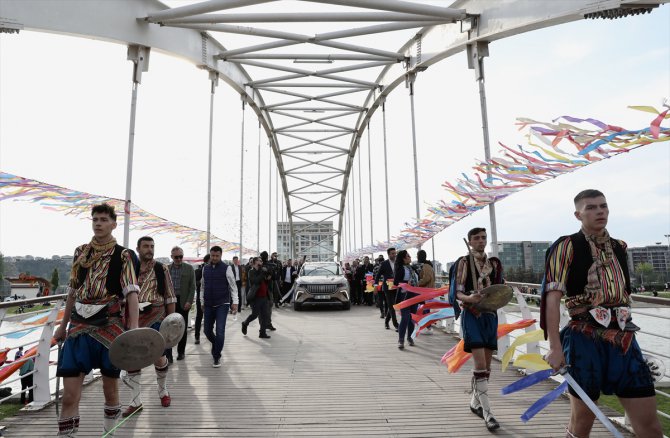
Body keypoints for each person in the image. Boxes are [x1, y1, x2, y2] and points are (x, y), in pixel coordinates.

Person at [541, 189, 661, 438]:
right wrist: (554, 346)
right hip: (584, 338)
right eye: (591, 208)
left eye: (603, 206)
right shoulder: (566, 246)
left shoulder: (619, 247)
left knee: (649, 427)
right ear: (578, 214)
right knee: (582, 424)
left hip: (624, 338)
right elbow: (551, 299)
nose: (600, 212)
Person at [54, 203, 140, 437]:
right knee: (69, 395)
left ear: (114, 223)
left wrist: (133, 330)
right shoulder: (81, 252)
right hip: (78, 326)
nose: (99, 223)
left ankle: (108, 434)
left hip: (109, 326)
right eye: (95, 220)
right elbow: (72, 291)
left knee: (110, 389)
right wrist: (62, 326)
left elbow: (131, 292)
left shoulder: (124, 255)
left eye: (103, 219)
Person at [449, 227, 503, 431]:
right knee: (480, 364)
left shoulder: (494, 264)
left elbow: (499, 289)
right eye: (477, 238)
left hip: (490, 316)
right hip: (472, 315)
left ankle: (474, 402)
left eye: (483, 238)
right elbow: (458, 293)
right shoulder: (463, 262)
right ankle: (488, 414)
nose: (481, 241)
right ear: (470, 242)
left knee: (487, 368)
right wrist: (470, 298)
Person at [121, 236, 177, 417]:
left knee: (158, 357)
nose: (149, 249)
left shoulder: (162, 268)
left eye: (152, 246)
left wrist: (172, 324)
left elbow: (170, 296)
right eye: (146, 246)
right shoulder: (131, 269)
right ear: (138, 248)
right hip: (134, 318)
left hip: (157, 316)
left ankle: (163, 391)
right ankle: (135, 401)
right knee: (132, 359)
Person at [202, 246, 239, 367]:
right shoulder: (205, 269)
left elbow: (233, 287)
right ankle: (216, 344)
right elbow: (203, 287)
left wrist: (235, 302)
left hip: (222, 304)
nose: (214, 258)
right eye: (212, 255)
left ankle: (216, 356)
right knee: (207, 330)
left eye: (217, 256)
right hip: (208, 304)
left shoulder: (227, 268)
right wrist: (201, 301)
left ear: (221, 256)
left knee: (220, 331)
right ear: (210, 255)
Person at [167, 246, 196, 362]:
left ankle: (181, 352)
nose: (179, 259)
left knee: (182, 328)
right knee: (168, 328)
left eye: (181, 256)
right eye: (176, 257)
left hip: (183, 301)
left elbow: (192, 287)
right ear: (172, 257)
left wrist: (189, 301)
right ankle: (168, 355)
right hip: (170, 301)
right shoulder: (166, 269)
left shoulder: (189, 268)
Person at [393, 250, 419, 349]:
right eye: (408, 256)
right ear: (403, 258)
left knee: (412, 318)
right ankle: (401, 340)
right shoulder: (400, 269)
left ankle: (409, 337)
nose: (410, 257)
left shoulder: (412, 268)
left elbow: (417, 280)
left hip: (414, 295)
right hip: (404, 296)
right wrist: (406, 283)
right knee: (405, 317)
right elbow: (396, 282)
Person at [241, 257, 271, 339]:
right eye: (259, 261)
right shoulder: (251, 271)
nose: (261, 262)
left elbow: (266, 281)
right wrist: (262, 272)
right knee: (255, 314)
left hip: (264, 296)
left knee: (265, 315)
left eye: (261, 261)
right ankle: (245, 323)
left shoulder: (262, 270)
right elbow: (255, 281)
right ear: (254, 263)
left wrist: (268, 277)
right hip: (256, 297)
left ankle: (262, 332)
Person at [374, 248, 398, 331]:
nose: (394, 255)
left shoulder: (398, 263)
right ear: (388, 254)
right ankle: (396, 324)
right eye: (392, 253)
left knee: (393, 306)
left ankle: (386, 322)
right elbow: (377, 275)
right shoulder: (384, 264)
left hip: (395, 287)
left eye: (395, 253)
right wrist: (376, 286)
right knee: (391, 305)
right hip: (387, 288)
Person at [417, 250, 436, 334]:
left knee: (425, 310)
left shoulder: (426, 266)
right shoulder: (428, 265)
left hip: (426, 291)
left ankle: (427, 327)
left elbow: (426, 278)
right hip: (428, 291)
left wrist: (417, 283)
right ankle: (426, 326)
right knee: (425, 309)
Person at [194, 254, 210, 345]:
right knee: (199, 317)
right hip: (201, 297)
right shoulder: (198, 271)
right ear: (206, 261)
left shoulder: (215, 271)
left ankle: (209, 334)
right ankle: (197, 336)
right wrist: (200, 281)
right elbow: (195, 283)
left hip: (212, 298)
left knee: (211, 317)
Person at [259, 251, 278, 331]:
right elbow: (274, 277)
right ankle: (265, 325)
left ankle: (266, 324)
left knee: (266, 308)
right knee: (266, 309)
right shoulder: (260, 265)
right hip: (264, 290)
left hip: (266, 290)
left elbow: (273, 277)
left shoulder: (267, 265)